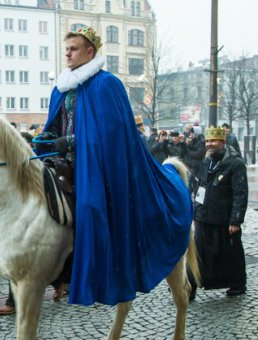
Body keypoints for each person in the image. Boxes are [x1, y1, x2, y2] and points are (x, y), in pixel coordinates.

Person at [39, 27, 192, 306]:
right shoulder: (61, 88)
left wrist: (70, 141)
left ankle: (98, 272)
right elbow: (56, 125)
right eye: (66, 49)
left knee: (90, 208)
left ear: (90, 52)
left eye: (73, 48)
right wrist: (47, 138)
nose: (67, 53)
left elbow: (112, 133)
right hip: (64, 163)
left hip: (98, 166)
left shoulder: (107, 84)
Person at [190, 126, 248, 299]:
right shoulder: (207, 161)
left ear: (222, 142)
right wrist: (196, 212)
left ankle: (237, 284)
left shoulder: (235, 163)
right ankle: (190, 285)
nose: (209, 144)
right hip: (204, 217)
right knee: (198, 254)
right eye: (207, 141)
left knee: (231, 254)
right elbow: (201, 186)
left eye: (213, 141)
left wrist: (235, 220)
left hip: (224, 220)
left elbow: (240, 193)